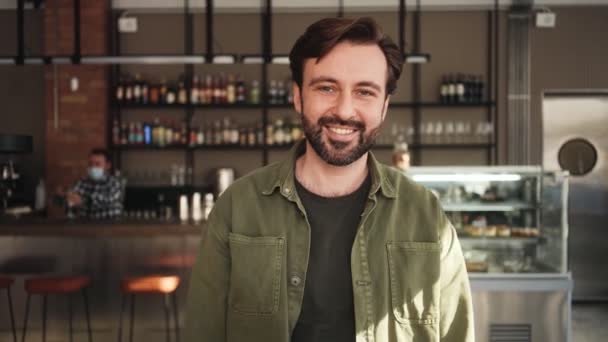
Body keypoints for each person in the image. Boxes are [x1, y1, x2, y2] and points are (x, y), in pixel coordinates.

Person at [184, 17, 474, 342]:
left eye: (365, 92)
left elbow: (457, 334)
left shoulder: (427, 216)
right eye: (326, 87)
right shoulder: (236, 209)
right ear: (298, 97)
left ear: (384, 106)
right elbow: (202, 332)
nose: (345, 110)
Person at [63, 148, 123, 219]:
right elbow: (71, 202)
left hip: (110, 226)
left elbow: (107, 200)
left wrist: (83, 200)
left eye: (97, 164)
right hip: (85, 227)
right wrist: (66, 198)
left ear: (108, 165)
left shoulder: (114, 183)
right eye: (90, 164)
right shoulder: (81, 182)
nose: (93, 167)